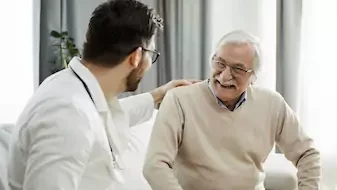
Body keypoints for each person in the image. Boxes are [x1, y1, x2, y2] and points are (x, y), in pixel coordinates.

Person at [7, 0, 197, 190]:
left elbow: (105, 115)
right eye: (151, 53)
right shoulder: (68, 114)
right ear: (137, 56)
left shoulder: (73, 89)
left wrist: (158, 95)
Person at [143, 30, 321, 190]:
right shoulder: (179, 100)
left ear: (253, 76)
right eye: (220, 63)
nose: (225, 75)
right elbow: (155, 165)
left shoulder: (272, 103)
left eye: (238, 69)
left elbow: (307, 154)